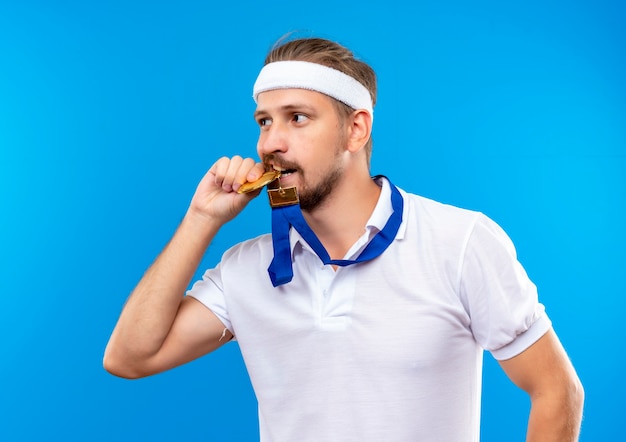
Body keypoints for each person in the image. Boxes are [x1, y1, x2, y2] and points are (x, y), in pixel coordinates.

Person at [103, 36, 584, 441]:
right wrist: (200, 219)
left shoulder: (460, 243)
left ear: (356, 130)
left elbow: (556, 389)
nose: (270, 143)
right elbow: (129, 357)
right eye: (264, 121)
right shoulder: (244, 269)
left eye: (297, 117)